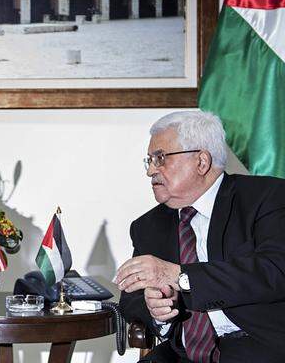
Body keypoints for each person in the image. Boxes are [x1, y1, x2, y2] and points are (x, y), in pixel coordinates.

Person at [116, 111, 285, 363]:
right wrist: (157, 309)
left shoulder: (266, 198)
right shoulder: (148, 225)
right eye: (149, 160)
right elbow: (131, 299)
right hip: (181, 354)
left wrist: (178, 277)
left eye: (160, 158)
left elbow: (274, 270)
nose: (150, 170)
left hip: (259, 347)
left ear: (201, 161)